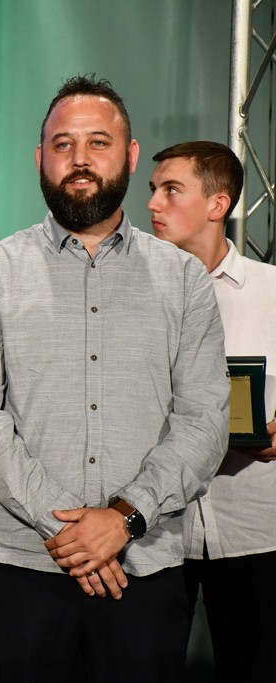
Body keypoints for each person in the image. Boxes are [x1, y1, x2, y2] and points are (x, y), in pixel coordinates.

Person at [0, 76, 230, 683]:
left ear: (129, 156)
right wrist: (71, 532)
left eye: (98, 143)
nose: (79, 160)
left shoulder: (185, 280)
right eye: (62, 145)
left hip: (146, 570)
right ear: (39, 159)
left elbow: (205, 422)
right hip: (25, 572)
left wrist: (124, 518)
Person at [148, 140, 276, 681]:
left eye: (170, 190)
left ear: (218, 204)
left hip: (255, 532)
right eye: (152, 190)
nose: (153, 204)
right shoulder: (130, 299)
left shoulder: (272, 292)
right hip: (154, 533)